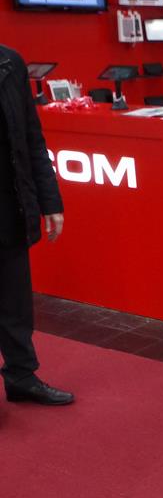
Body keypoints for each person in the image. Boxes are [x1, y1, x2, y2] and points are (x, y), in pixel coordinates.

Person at [0, 44, 74, 405]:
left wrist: (50, 201)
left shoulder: (9, 63)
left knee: (15, 300)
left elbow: (32, 138)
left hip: (9, 204)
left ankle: (21, 376)